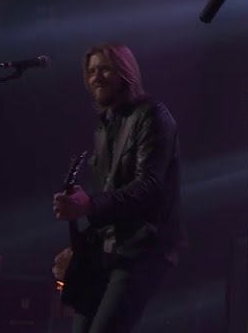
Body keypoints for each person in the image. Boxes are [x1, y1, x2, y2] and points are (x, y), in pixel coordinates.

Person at [52, 43, 183, 333]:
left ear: (125, 72)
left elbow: (149, 187)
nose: (96, 77)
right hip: (107, 251)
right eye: (91, 71)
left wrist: (89, 205)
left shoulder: (152, 116)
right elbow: (110, 196)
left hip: (143, 248)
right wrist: (79, 248)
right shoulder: (103, 127)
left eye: (104, 69)